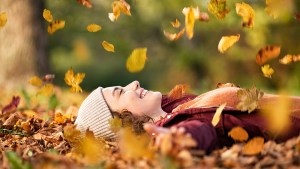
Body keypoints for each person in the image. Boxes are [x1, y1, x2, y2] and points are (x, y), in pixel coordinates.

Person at [75, 81, 300, 152]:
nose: (133, 83)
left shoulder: (173, 106)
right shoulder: (177, 124)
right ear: (121, 122)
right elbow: (201, 131)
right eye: (121, 92)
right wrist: (178, 139)